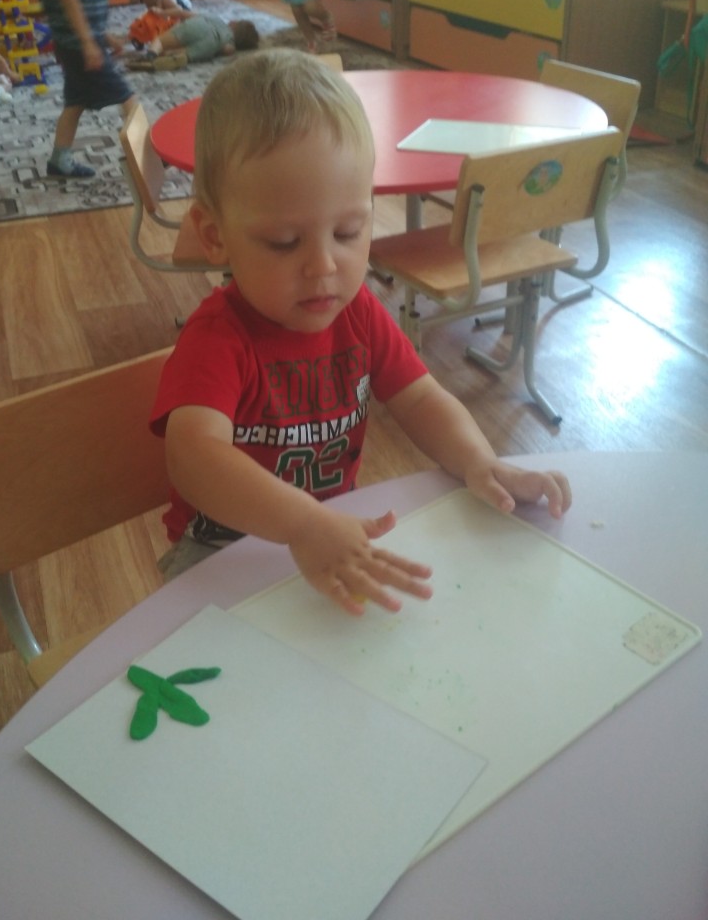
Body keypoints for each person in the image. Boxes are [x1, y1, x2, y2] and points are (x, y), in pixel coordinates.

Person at [149, 49, 572, 616]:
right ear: (214, 236)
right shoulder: (217, 339)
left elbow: (421, 398)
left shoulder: (359, 314)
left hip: (329, 534)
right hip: (221, 553)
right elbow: (194, 457)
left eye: (348, 232)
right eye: (284, 243)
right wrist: (301, 523)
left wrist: (479, 461)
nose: (323, 266)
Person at [41, 0, 136, 178]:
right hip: (79, 45)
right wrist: (87, 42)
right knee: (127, 98)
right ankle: (149, 153)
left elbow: (74, 2)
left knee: (75, 102)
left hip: (72, 42)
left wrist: (101, 36)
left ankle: (59, 160)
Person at [130, 8, 259, 70]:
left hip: (196, 26)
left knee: (160, 41)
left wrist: (163, 13)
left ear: (233, 23)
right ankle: (173, 56)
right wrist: (218, 50)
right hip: (209, 43)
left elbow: (181, 13)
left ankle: (151, 55)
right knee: (185, 51)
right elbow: (227, 49)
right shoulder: (230, 42)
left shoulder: (216, 18)